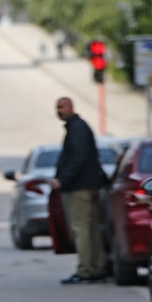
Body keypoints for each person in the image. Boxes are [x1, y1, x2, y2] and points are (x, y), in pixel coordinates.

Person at [50, 97, 108, 285]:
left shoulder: (77, 128)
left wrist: (62, 180)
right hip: (88, 184)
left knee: (81, 228)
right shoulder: (78, 127)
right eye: (58, 107)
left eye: (63, 107)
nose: (60, 110)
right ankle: (98, 267)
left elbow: (78, 157)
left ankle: (85, 269)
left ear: (71, 107)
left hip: (80, 187)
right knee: (91, 228)